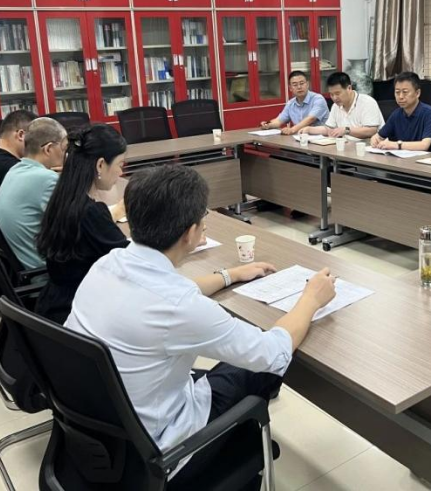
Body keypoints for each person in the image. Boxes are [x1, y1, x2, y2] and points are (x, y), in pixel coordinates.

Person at [65, 164, 337, 488]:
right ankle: (242, 451)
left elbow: (167, 295)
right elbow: (273, 352)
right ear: (191, 232)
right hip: (157, 457)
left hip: (102, 435)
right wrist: (311, 298)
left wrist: (230, 275)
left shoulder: (107, 264)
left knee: (232, 365)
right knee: (256, 370)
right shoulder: (180, 307)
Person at [35, 124, 129, 323]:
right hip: (80, 313)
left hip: (55, 303)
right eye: (120, 164)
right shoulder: (91, 212)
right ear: (100, 165)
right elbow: (131, 262)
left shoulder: (64, 196)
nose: (121, 172)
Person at [0, 118, 67, 270]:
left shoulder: (15, 169)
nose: (65, 154)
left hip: (19, 265)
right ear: (48, 149)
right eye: (64, 148)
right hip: (44, 271)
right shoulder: (46, 179)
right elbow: (77, 226)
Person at [300, 71, 384, 139]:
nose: (334, 98)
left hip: (368, 146)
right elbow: (329, 129)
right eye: (331, 94)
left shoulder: (367, 102)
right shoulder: (336, 106)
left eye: (337, 93)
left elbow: (371, 131)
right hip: (347, 146)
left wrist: (346, 130)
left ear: (349, 88)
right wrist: (309, 129)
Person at [370, 72, 431, 151]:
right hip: (401, 157)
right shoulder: (396, 114)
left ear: (417, 93)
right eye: (397, 92)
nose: (401, 97)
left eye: (405, 92)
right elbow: (378, 136)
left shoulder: (429, 113)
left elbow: (424, 145)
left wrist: (396, 145)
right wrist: (375, 139)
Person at [260, 70, 329, 135]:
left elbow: (311, 118)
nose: (299, 87)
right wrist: (268, 125)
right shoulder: (290, 103)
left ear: (307, 84)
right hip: (300, 138)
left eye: (302, 83)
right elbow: (279, 120)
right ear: (290, 88)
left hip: (321, 138)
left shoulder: (318, 99)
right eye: (295, 85)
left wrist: (292, 129)